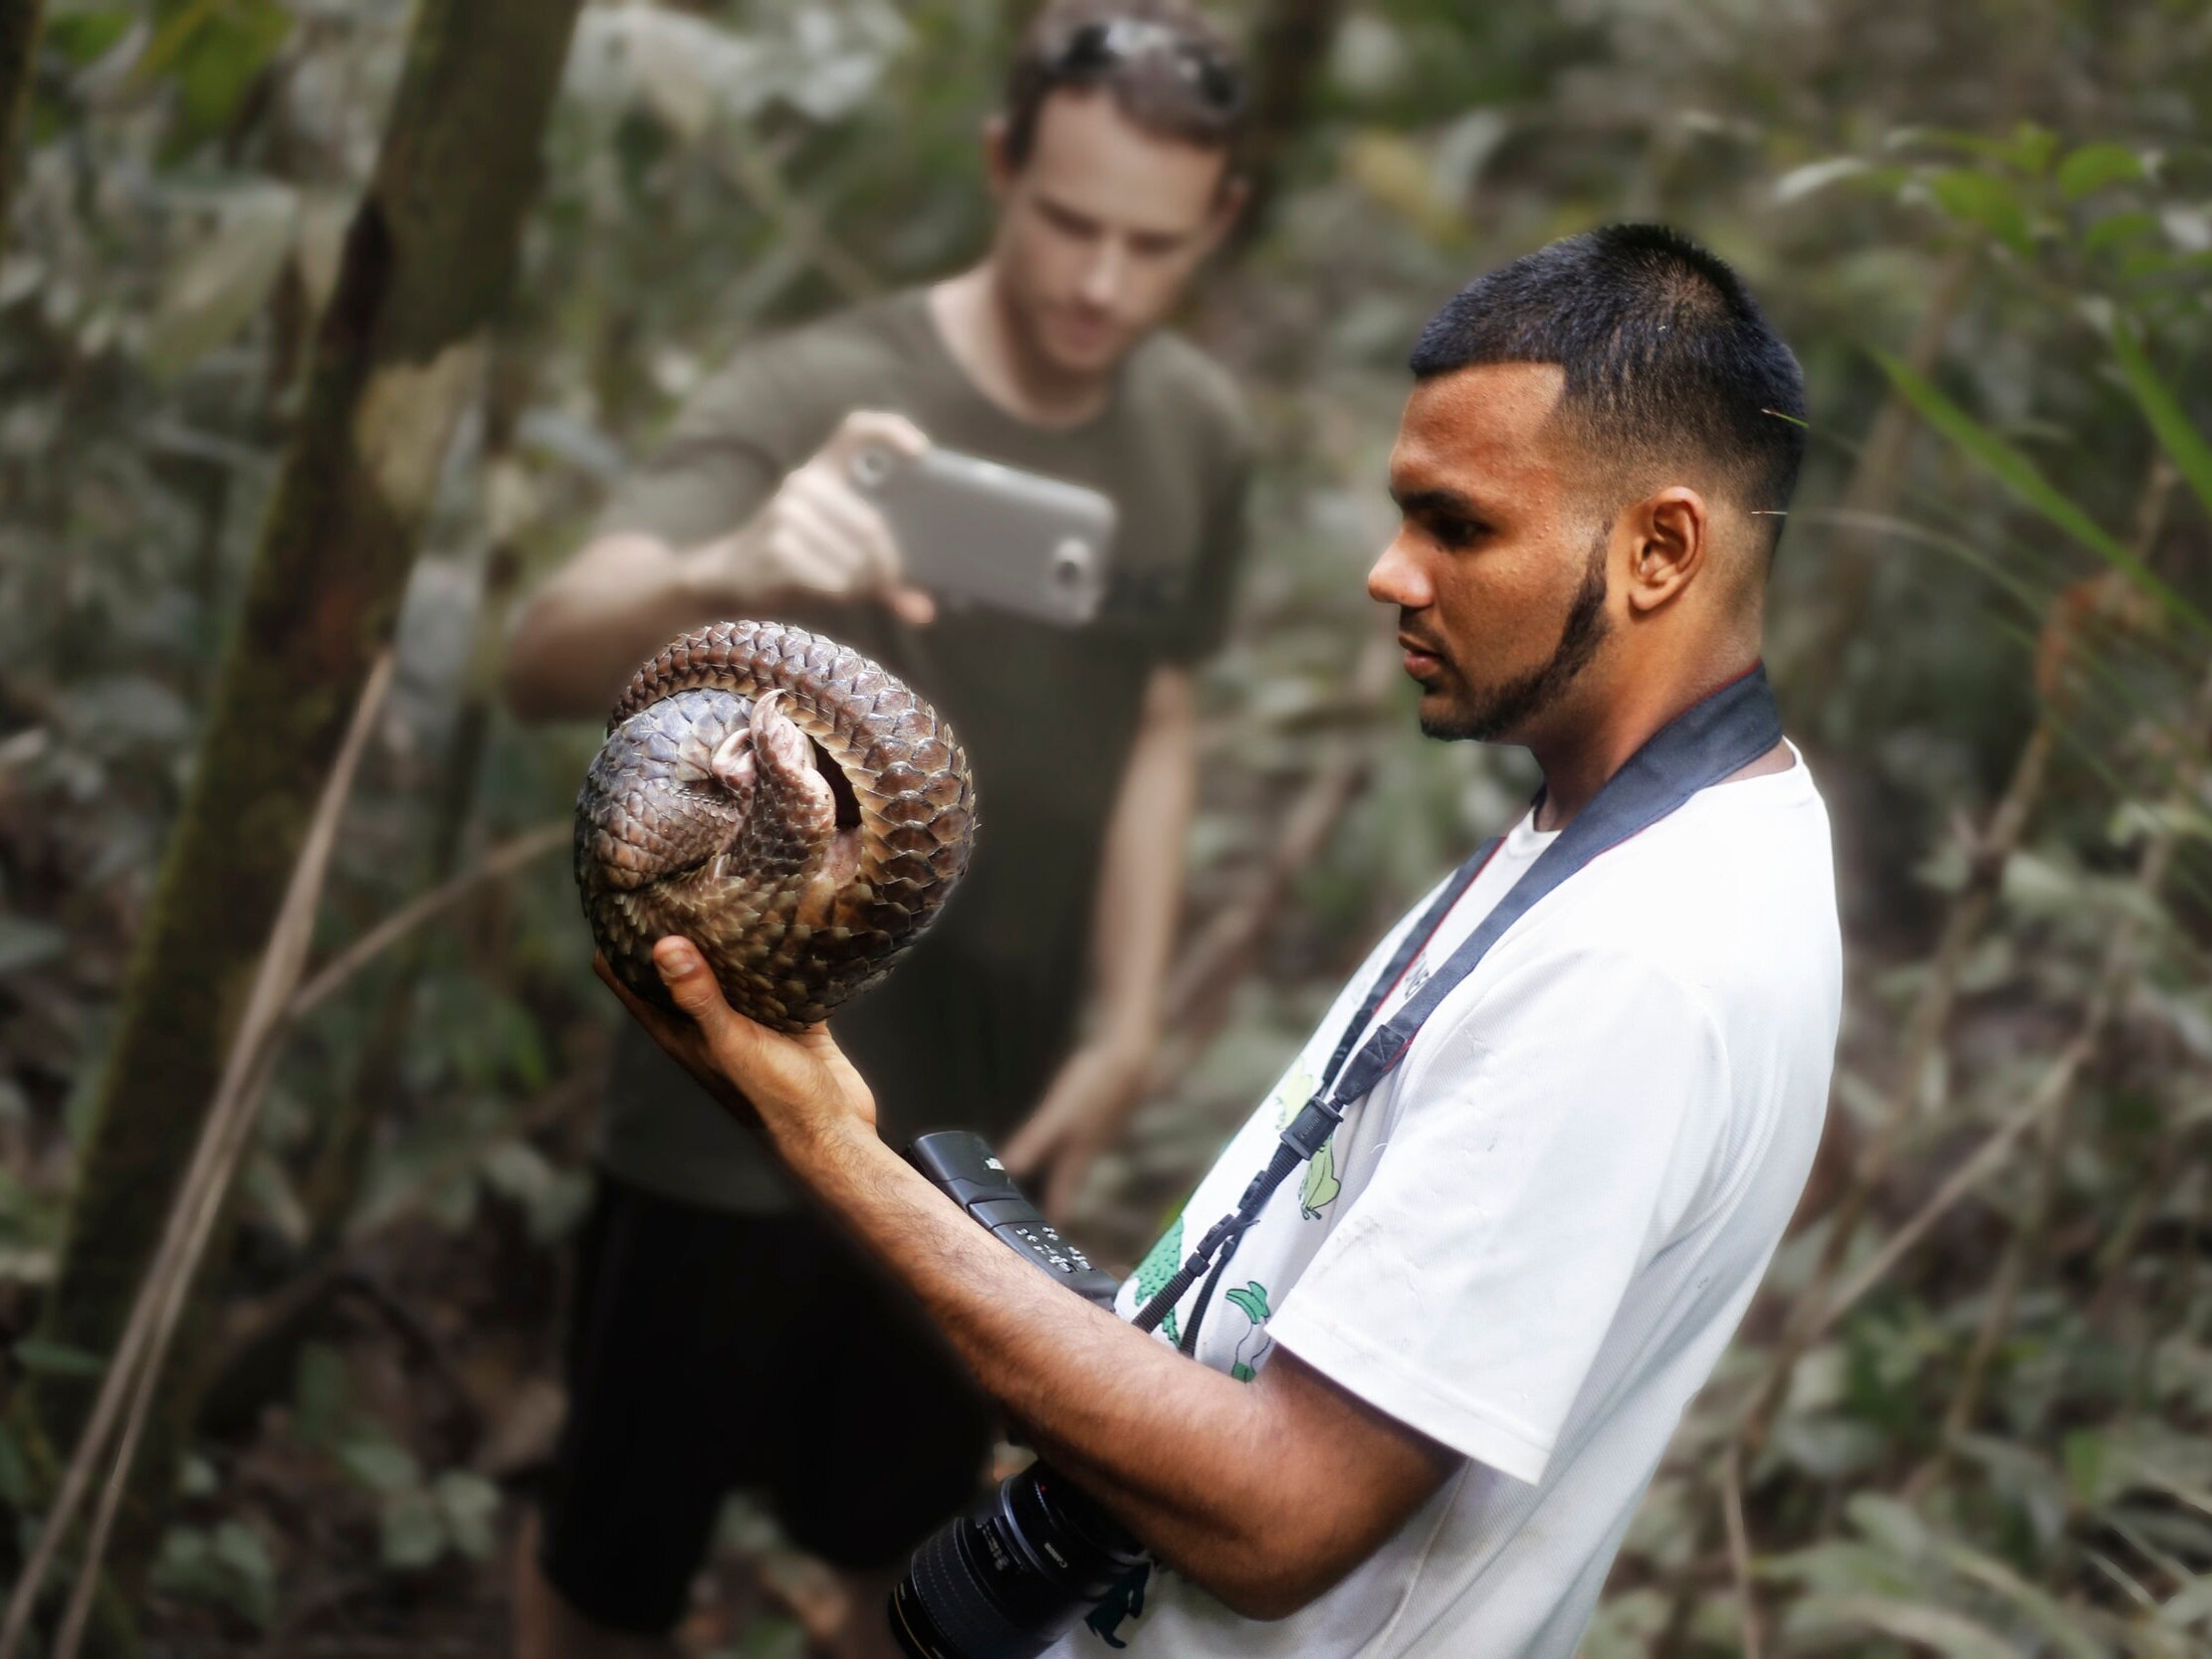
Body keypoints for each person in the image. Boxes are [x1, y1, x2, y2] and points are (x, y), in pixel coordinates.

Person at [603, 223, 1844, 1659]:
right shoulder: (1630, 833)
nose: (1390, 572)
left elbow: (1273, 1519)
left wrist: (824, 1147)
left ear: (1659, 549)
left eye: (1457, 525)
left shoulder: (1637, 962)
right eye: (1402, 515)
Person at [501, 5, 1254, 1655]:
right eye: (1066, 219)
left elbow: (1162, 718)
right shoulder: (825, 387)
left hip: (969, 1133)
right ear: (999, 166)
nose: (1097, 285)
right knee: (614, 1545)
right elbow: (544, 644)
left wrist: (1130, 1016)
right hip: (729, 1101)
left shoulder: (1197, 432)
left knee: (908, 1561)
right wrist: (730, 563)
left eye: (1150, 242)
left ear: (1220, 222)